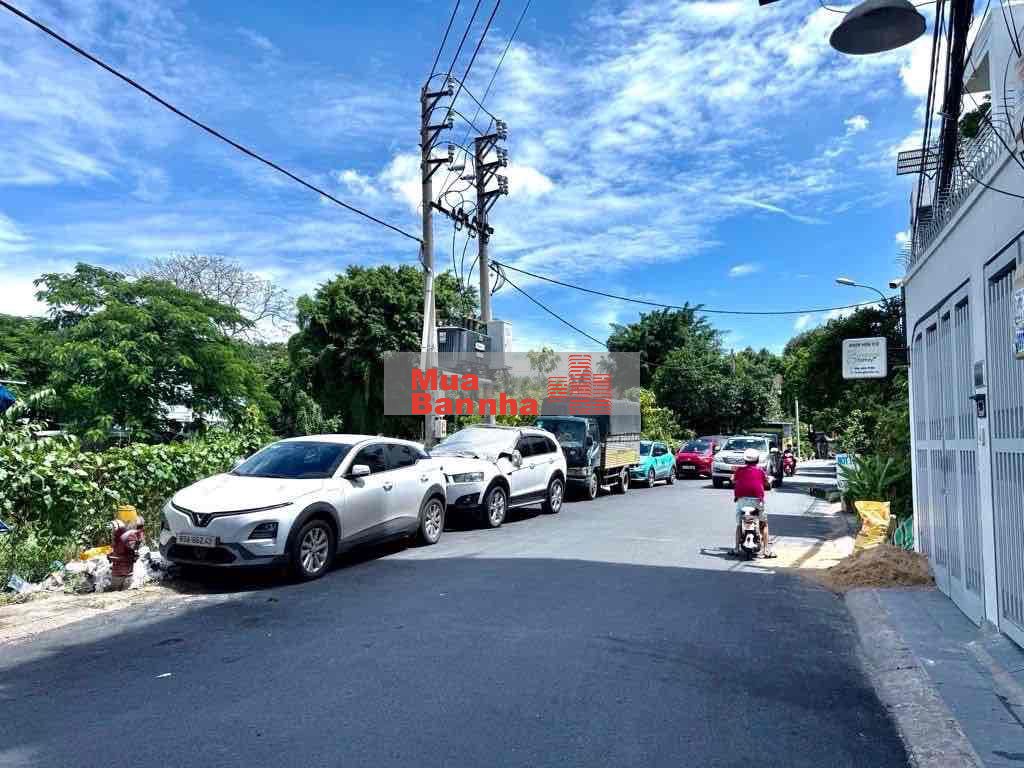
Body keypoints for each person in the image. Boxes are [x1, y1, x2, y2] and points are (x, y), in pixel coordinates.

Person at [733, 448, 774, 557]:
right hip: (757, 501)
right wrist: (770, 480)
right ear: (757, 460)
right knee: (764, 524)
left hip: (742, 501)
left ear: (745, 460)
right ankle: (766, 550)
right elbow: (766, 483)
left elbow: (733, 480)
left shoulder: (739, 471)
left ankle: (736, 548)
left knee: (739, 525)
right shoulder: (760, 471)